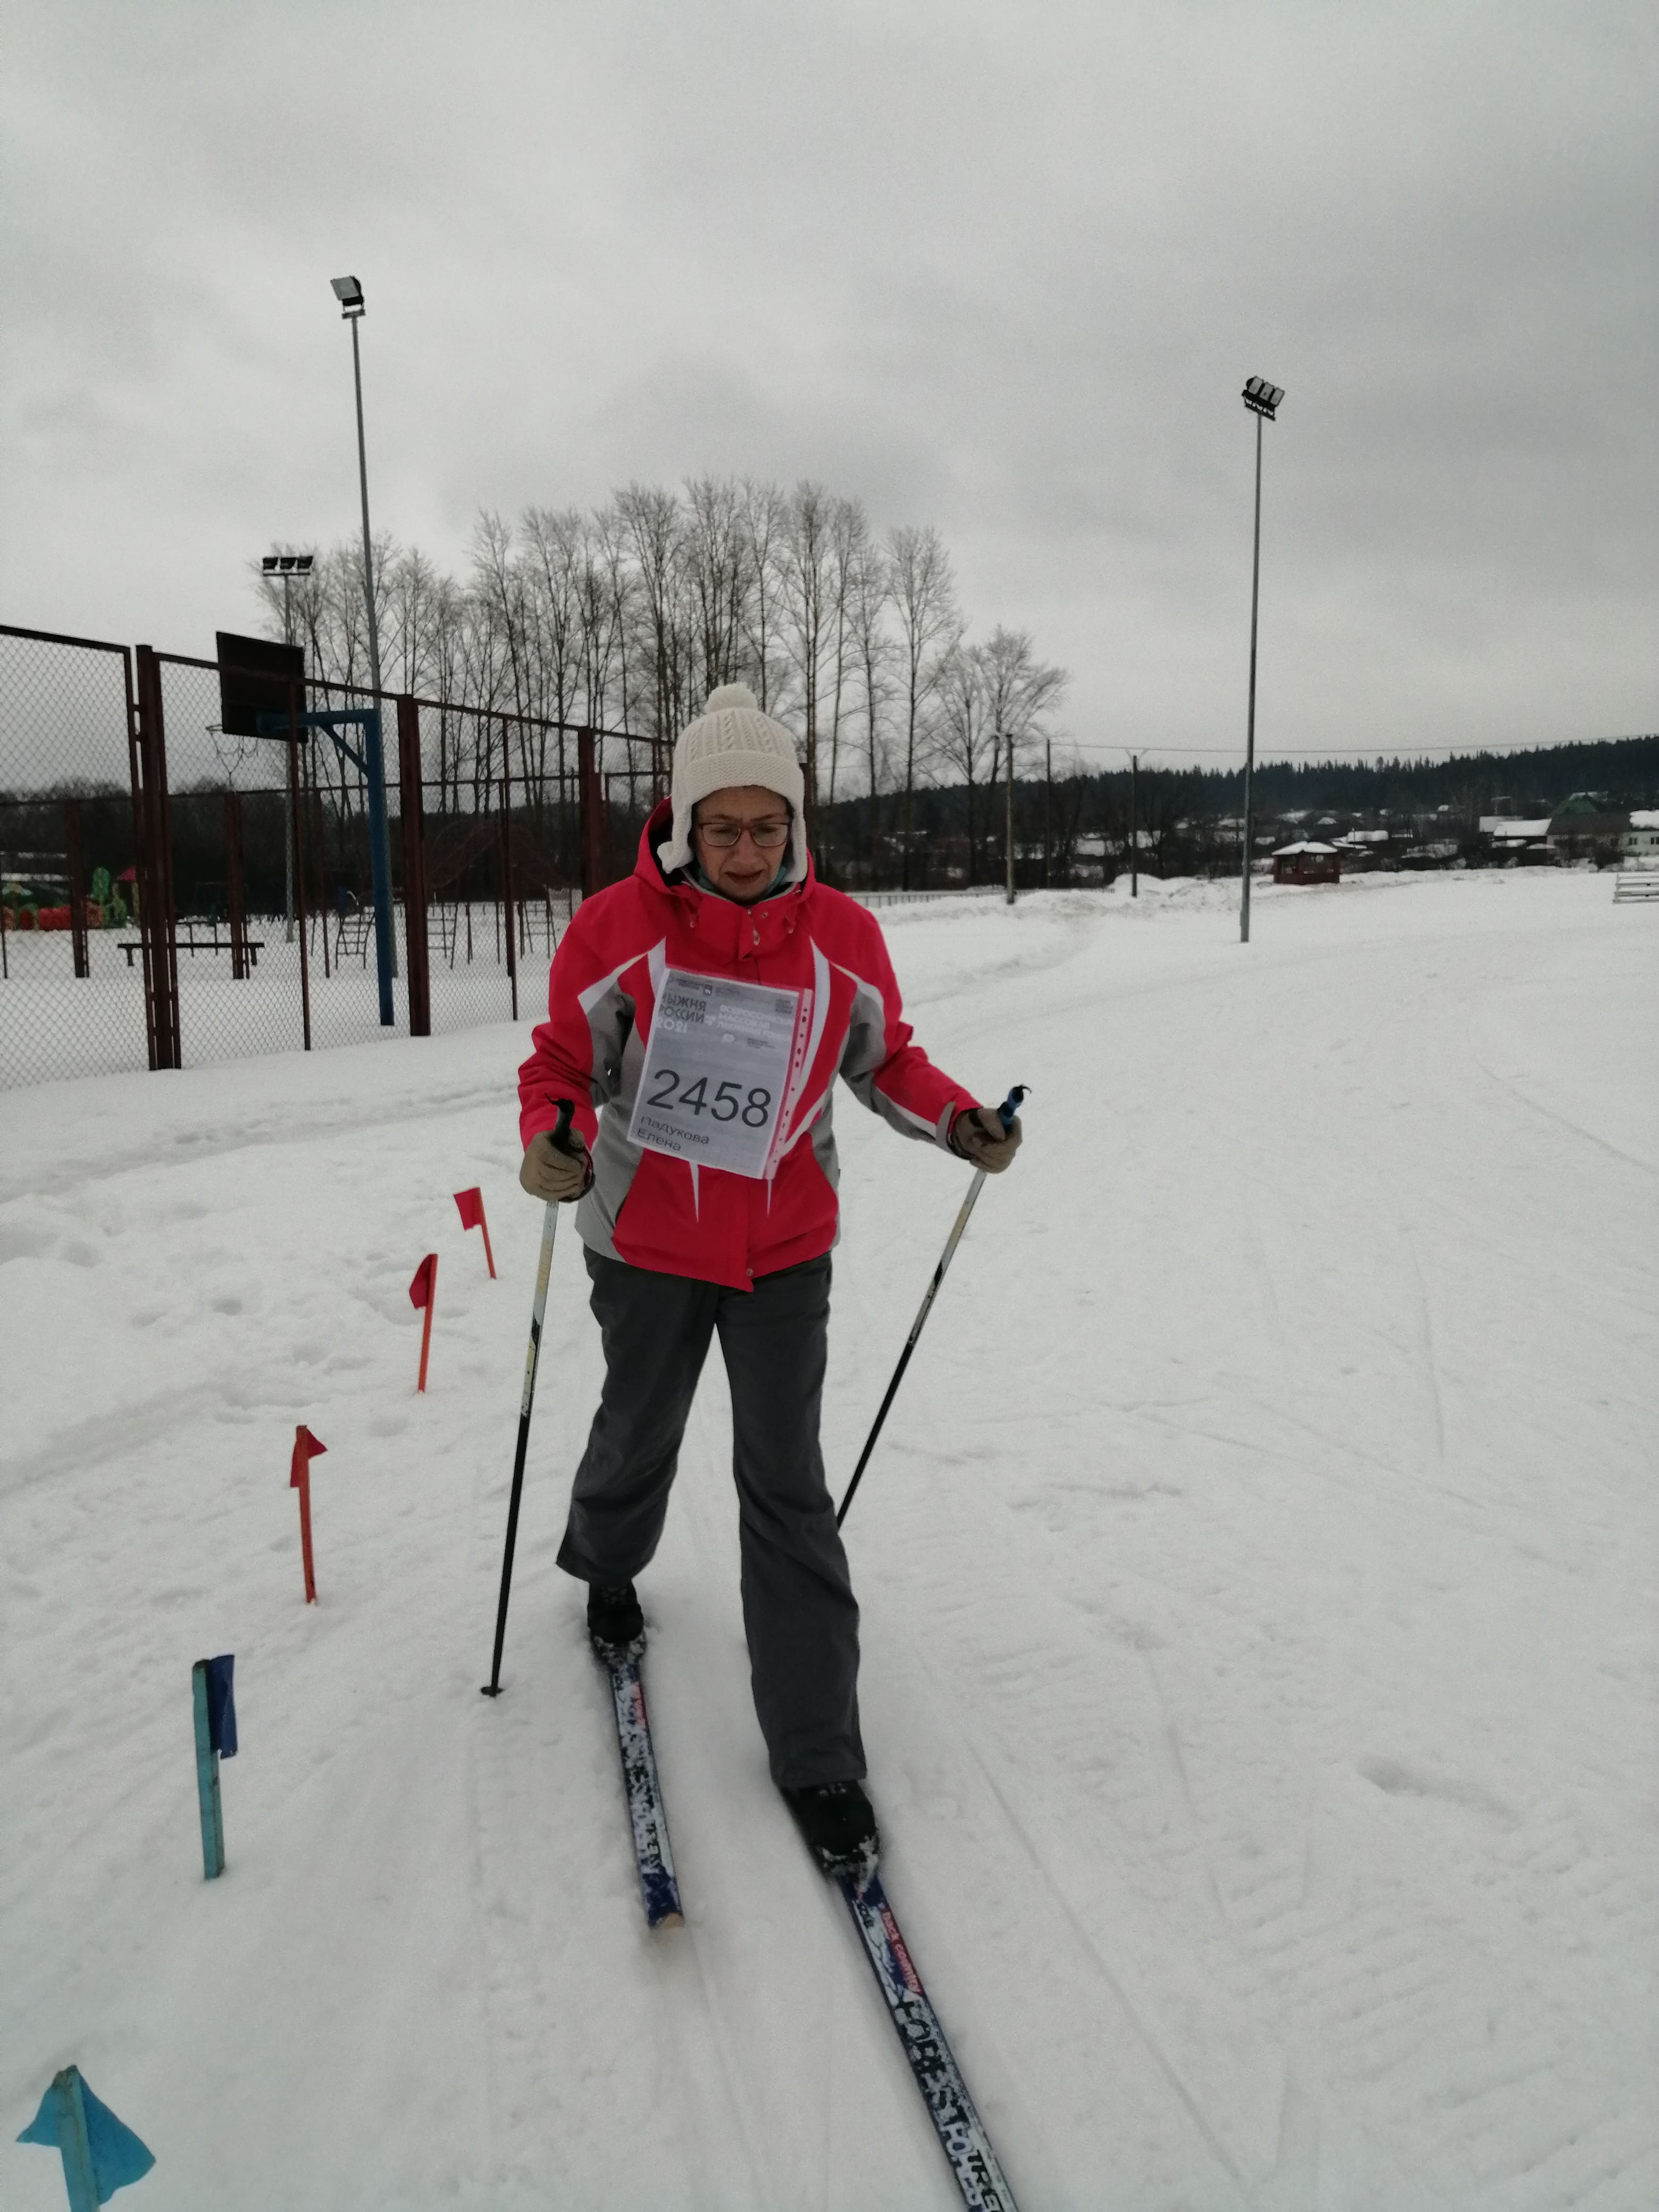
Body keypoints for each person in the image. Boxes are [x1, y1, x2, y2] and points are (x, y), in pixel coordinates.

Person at [517, 683, 1021, 1878]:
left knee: (788, 1481)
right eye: (722, 828)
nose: (745, 852)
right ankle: (607, 1563)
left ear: (796, 824)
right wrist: (551, 1137)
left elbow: (884, 1058)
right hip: (644, 1238)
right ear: (684, 823)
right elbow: (562, 1066)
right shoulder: (615, 929)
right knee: (640, 1422)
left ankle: (817, 1749)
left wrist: (958, 1118)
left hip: (784, 1248)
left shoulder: (840, 934)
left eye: (767, 827)